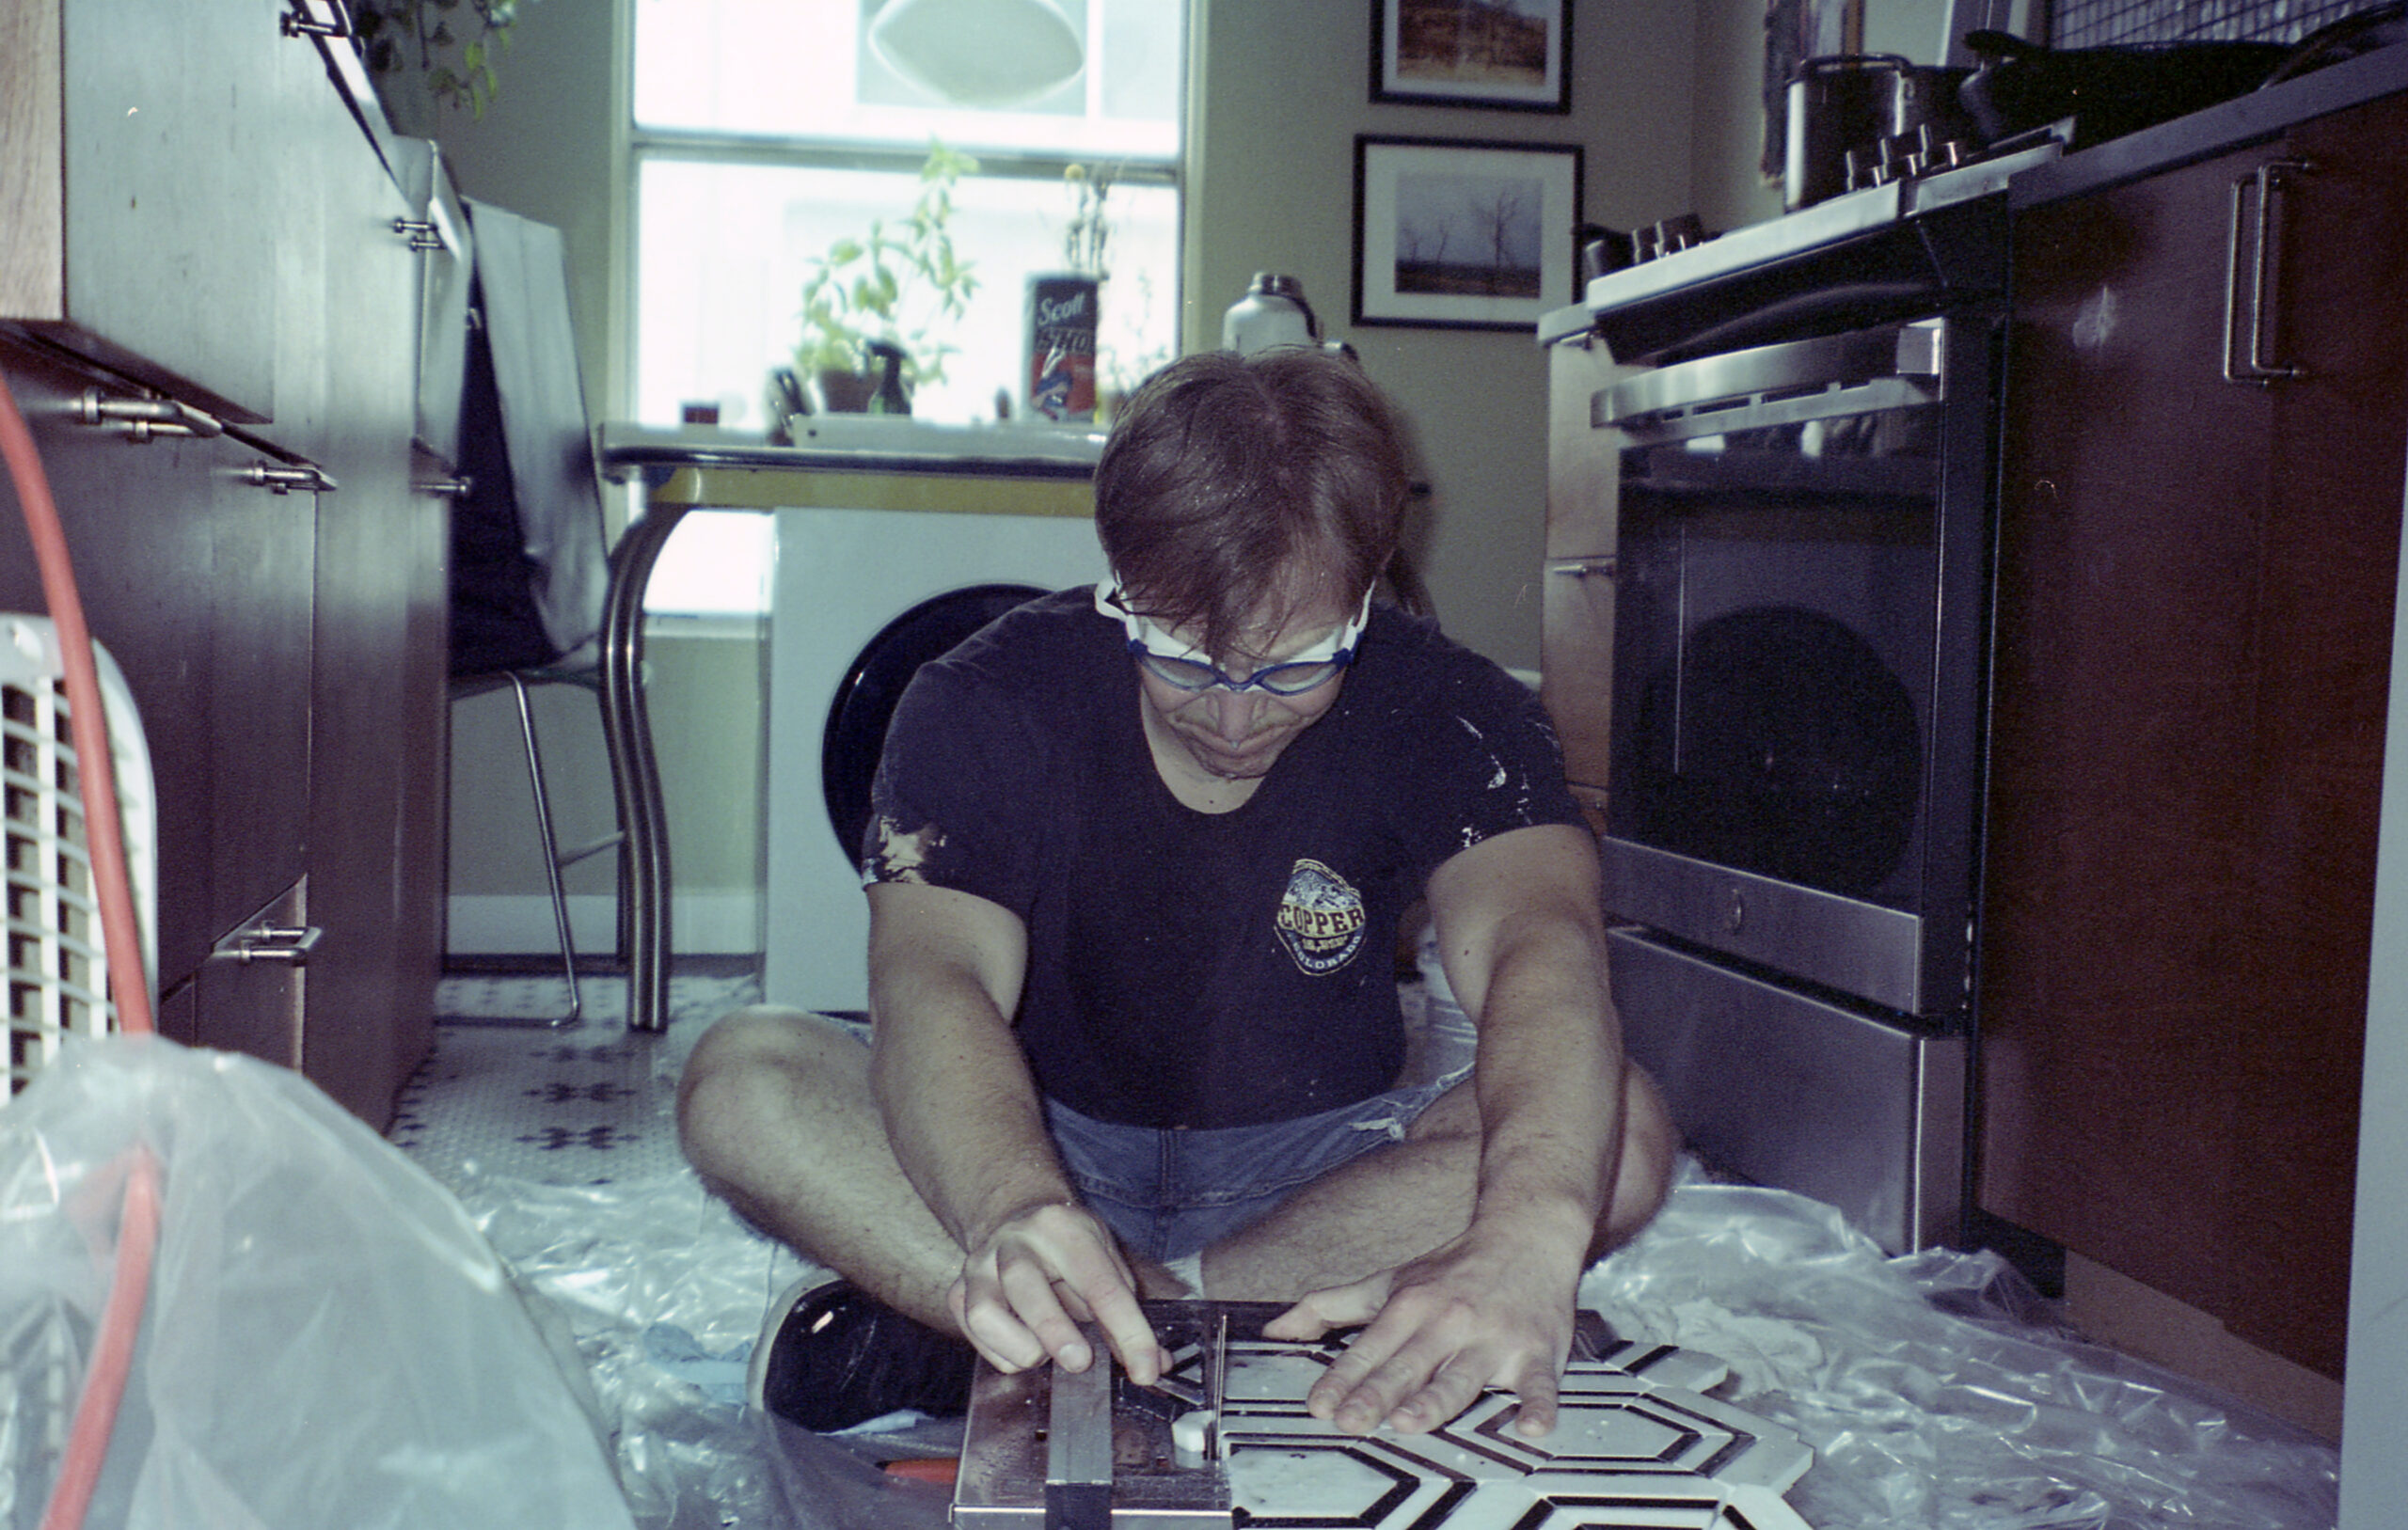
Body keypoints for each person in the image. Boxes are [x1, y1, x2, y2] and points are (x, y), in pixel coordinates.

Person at [676, 346, 1676, 1443]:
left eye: (1297, 665)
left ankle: (1077, 1332)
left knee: (1616, 1128)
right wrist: (1010, 1206)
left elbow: (1548, 951)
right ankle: (1193, 1321)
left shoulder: (1456, 707)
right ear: (1117, 577)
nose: (1235, 717)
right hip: (1033, 1143)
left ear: (1369, 582)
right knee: (744, 1077)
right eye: (1182, 659)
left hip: (1327, 1178)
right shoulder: (979, 696)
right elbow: (933, 981)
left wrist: (1522, 1240)